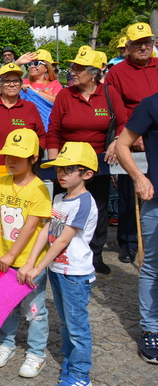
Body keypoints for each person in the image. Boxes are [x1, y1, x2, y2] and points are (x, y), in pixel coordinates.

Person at [19, 142, 98, 386]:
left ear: (86, 174)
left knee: (77, 325)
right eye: (59, 169)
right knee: (66, 323)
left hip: (75, 274)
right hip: (58, 271)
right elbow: (46, 231)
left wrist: (38, 266)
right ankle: (70, 361)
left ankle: (80, 374)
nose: (62, 174)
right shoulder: (60, 198)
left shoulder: (84, 202)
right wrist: (31, 262)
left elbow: (63, 239)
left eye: (69, 169)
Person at [0, 129, 52, 378]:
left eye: (18, 156)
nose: (10, 161)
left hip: (26, 262)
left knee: (34, 310)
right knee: (6, 305)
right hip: (2, 260)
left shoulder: (39, 189)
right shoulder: (1, 182)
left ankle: (36, 353)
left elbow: (32, 225)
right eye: (7, 155)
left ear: (34, 158)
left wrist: (13, 255)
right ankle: (7, 344)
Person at [47, 47, 113, 274]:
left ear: (93, 73)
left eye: (78, 68)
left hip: (98, 163)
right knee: (64, 210)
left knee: (99, 208)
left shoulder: (109, 94)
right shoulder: (65, 95)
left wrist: (116, 144)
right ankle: (57, 252)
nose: (72, 72)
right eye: (72, 67)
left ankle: (95, 255)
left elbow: (123, 122)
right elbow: (53, 130)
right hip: (68, 164)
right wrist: (55, 163)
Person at [107, 23, 158, 265]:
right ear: (127, 47)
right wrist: (132, 134)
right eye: (137, 43)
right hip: (133, 136)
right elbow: (115, 108)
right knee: (130, 191)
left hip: (155, 139)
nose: (143, 47)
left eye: (147, 42)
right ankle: (128, 242)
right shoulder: (117, 71)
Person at [116, 77, 158, 365]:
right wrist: (139, 177)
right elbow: (122, 145)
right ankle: (151, 329)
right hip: (156, 200)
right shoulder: (151, 104)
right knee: (153, 266)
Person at [0, 63, 46, 166]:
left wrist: (35, 155)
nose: (12, 84)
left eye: (15, 81)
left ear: (21, 84)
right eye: (7, 81)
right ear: (0, 84)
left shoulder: (30, 107)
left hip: (21, 172)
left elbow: (41, 136)